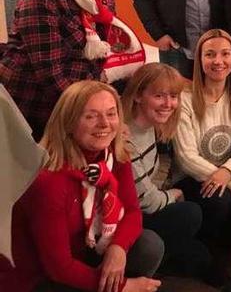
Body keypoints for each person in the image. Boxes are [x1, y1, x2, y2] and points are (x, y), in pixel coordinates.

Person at [6, 81, 163, 292]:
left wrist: (118, 249)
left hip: (86, 249)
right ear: (69, 122)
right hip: (42, 277)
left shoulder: (115, 156)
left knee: (149, 245)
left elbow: (133, 212)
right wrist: (126, 287)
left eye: (111, 113)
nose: (104, 124)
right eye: (91, 116)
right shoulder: (47, 180)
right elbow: (58, 268)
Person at [1, 0, 144, 138]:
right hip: (39, 110)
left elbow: (103, 57)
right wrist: (100, 116)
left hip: (85, 99)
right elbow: (52, 77)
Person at [121, 64, 212, 282]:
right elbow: (146, 201)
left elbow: (159, 173)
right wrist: (173, 195)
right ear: (137, 96)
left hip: (151, 198)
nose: (169, 104)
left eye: (173, 96)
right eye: (159, 96)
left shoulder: (151, 124)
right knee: (190, 214)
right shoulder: (126, 138)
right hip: (129, 217)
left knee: (202, 254)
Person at [172, 29, 231, 248]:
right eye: (210, 54)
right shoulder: (186, 97)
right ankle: (205, 254)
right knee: (221, 201)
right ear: (199, 59)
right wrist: (230, 181)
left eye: (225, 54)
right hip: (195, 177)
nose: (218, 61)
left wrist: (229, 173)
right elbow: (186, 157)